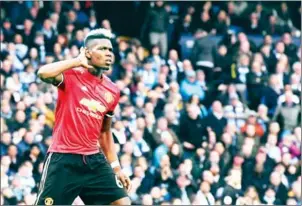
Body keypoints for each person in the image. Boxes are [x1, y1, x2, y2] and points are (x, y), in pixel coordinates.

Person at [34, 28, 131, 205]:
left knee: (122, 203)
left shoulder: (112, 90)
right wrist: (76, 61)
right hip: (64, 159)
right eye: (102, 49)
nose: (108, 53)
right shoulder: (71, 75)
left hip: (94, 160)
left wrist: (116, 167)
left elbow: (105, 132)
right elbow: (43, 73)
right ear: (87, 52)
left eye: (110, 50)